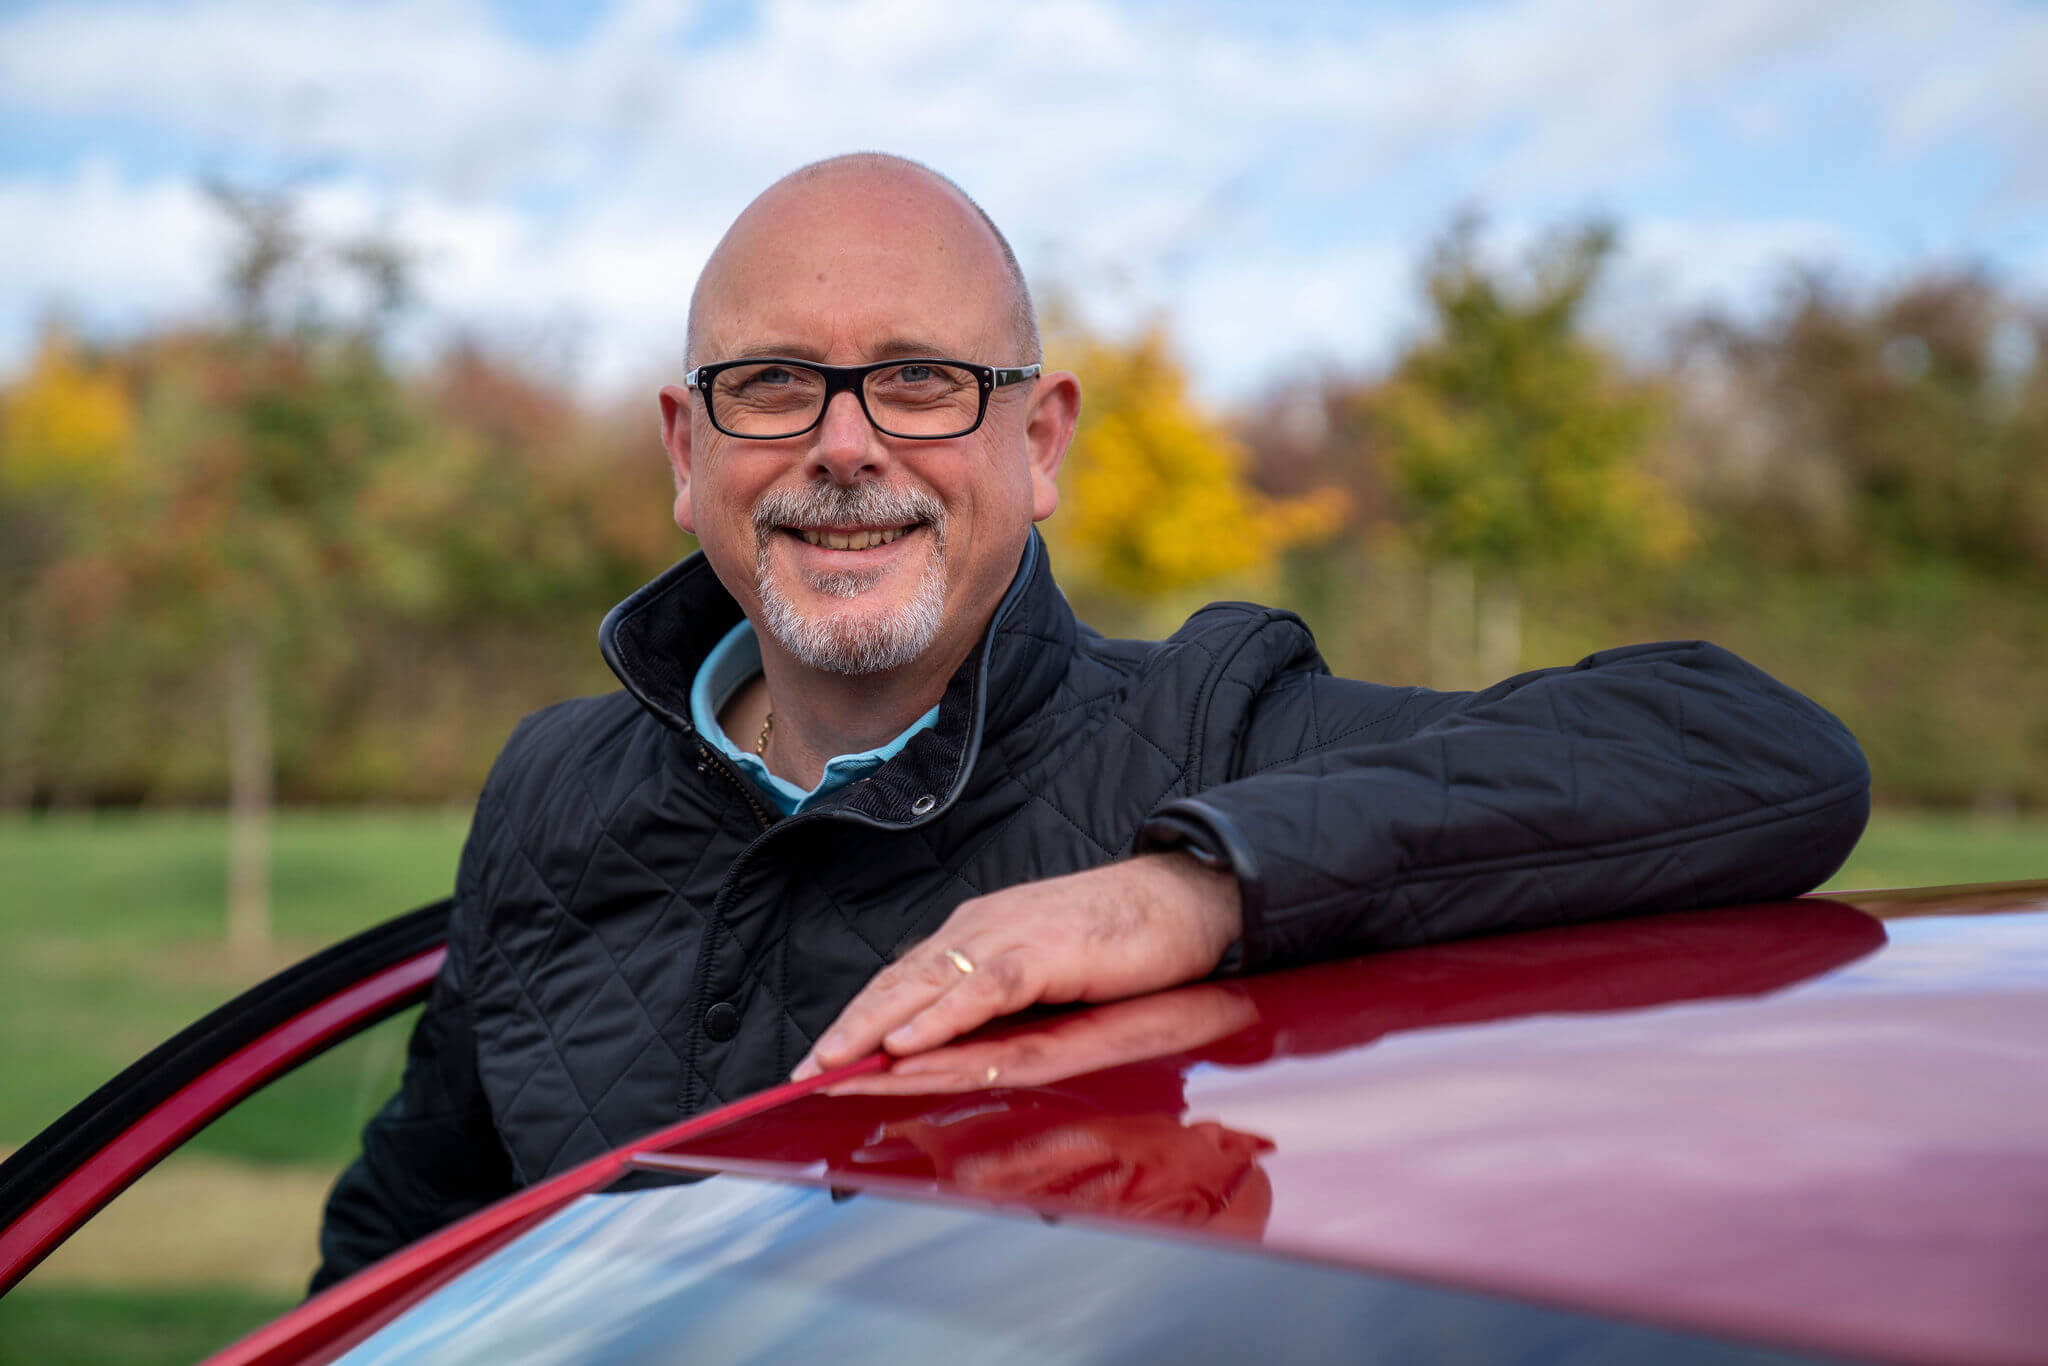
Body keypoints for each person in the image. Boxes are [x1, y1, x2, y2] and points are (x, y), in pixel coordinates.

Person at [311, 153, 1869, 1290]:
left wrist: (1192, 884)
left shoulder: (1203, 735)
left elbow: (1753, 748)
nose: (846, 446)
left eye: (921, 380)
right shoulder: (550, 784)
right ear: (684, 445)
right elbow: (406, 1244)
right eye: (774, 384)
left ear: (1039, 439)